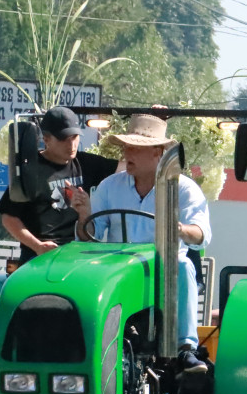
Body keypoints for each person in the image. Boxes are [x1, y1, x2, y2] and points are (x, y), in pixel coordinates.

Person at [72, 114, 210, 374]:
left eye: (135, 148)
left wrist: (178, 228)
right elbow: (89, 235)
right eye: (126, 147)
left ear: (157, 153)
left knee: (181, 264)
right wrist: (83, 214)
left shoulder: (184, 189)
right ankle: (83, 342)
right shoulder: (110, 186)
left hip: (161, 269)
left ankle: (185, 349)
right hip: (116, 266)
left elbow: (200, 233)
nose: (127, 154)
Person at [0, 106, 118, 263]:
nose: (71, 144)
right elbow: (8, 217)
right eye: (63, 139)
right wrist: (38, 246)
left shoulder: (86, 163)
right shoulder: (30, 169)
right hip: (37, 256)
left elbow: (131, 167)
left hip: (77, 255)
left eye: (74, 137)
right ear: (46, 139)